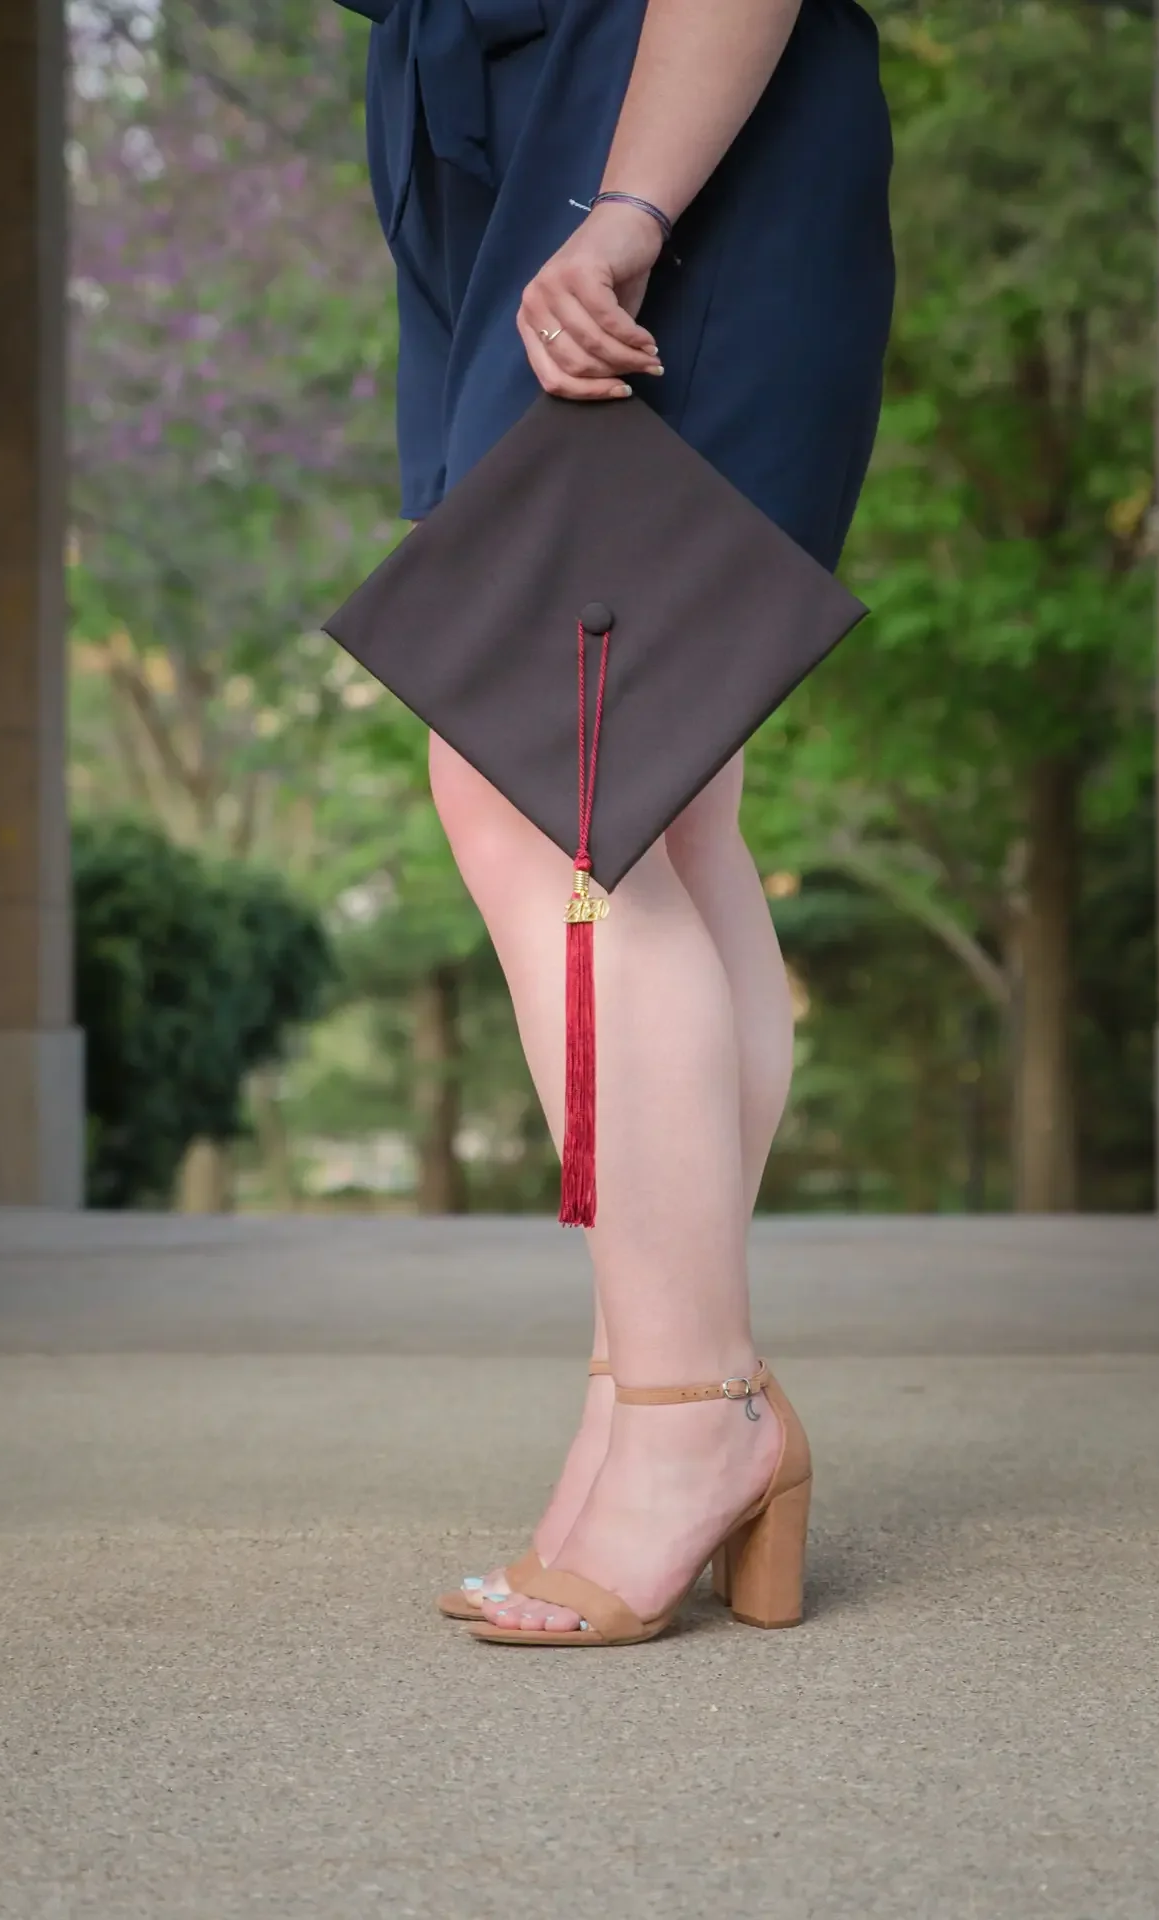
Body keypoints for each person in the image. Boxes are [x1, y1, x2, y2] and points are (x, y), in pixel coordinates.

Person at [335, 0, 894, 1642]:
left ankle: (688, 1415)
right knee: (653, 804)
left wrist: (637, 203)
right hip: (495, 163)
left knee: (547, 788)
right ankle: (651, 1390)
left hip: (662, 140)